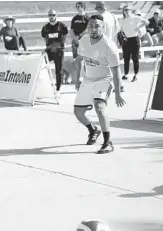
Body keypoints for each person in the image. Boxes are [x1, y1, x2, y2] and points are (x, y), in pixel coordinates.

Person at [73, 15, 126, 154]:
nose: (93, 29)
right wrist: (77, 79)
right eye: (91, 26)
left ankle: (108, 142)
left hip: (104, 79)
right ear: (87, 27)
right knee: (78, 112)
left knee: (99, 107)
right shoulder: (83, 40)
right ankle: (93, 130)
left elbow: (116, 71)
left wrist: (118, 94)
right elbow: (79, 60)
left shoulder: (109, 46)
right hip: (87, 80)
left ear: (103, 28)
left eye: (97, 26)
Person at [41, 9, 69, 97]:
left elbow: (64, 37)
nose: (51, 16)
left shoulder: (62, 26)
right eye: (50, 15)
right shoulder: (45, 27)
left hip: (59, 51)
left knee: (58, 70)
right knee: (41, 66)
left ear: (56, 15)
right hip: (49, 50)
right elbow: (44, 37)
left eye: (53, 15)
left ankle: (58, 89)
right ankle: (43, 87)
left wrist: (58, 45)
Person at [120, 5, 149, 82]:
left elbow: (146, 22)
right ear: (123, 11)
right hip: (126, 40)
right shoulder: (122, 20)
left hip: (134, 39)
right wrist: (123, 36)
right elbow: (121, 30)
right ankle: (126, 74)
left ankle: (136, 75)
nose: (127, 11)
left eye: (128, 9)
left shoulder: (135, 18)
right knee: (126, 58)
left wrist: (139, 27)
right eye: (125, 10)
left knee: (135, 58)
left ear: (131, 10)